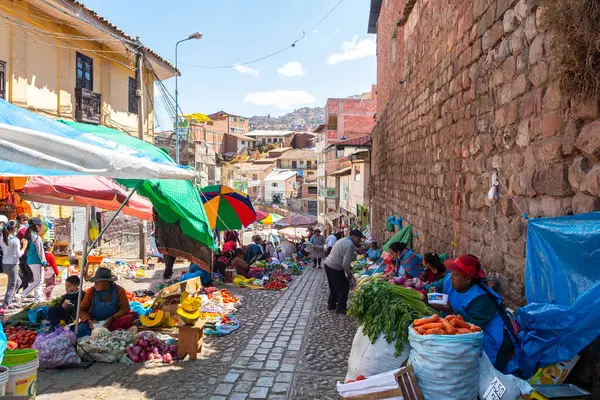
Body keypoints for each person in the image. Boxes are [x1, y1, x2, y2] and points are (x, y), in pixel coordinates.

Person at [428, 254, 517, 373]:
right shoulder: (451, 281)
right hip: (459, 331)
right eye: (452, 272)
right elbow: (437, 284)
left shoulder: (482, 300)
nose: (451, 277)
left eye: (456, 274)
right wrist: (433, 288)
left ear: (468, 279)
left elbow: (470, 329)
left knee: (484, 370)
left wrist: (450, 311)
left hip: (490, 338)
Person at [78, 267, 132, 337]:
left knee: (125, 325)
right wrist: (88, 320)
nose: (95, 284)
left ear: (106, 282)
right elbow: (82, 309)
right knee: (81, 330)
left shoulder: (119, 291)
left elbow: (125, 308)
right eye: (95, 282)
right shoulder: (91, 291)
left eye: (98, 282)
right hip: (95, 321)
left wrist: (113, 318)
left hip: (113, 321)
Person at [324, 229, 365, 314]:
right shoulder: (349, 245)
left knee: (334, 286)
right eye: (359, 238)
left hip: (328, 264)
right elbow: (345, 264)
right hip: (335, 267)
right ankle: (341, 308)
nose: (360, 240)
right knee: (344, 286)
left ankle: (331, 304)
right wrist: (350, 275)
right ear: (353, 236)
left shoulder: (343, 240)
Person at [0, 220, 27, 311]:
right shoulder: (15, 240)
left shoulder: (3, 238)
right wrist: (24, 246)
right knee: (12, 285)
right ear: (15, 228)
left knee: (18, 282)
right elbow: (19, 254)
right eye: (18, 227)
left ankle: (9, 301)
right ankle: (5, 306)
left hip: (5, 264)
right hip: (13, 265)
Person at [18, 217, 46, 302]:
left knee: (37, 280)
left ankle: (38, 298)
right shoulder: (36, 237)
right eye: (40, 225)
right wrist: (44, 261)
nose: (41, 227)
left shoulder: (28, 236)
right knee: (38, 281)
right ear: (37, 226)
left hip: (30, 261)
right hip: (36, 261)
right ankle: (21, 295)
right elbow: (40, 251)